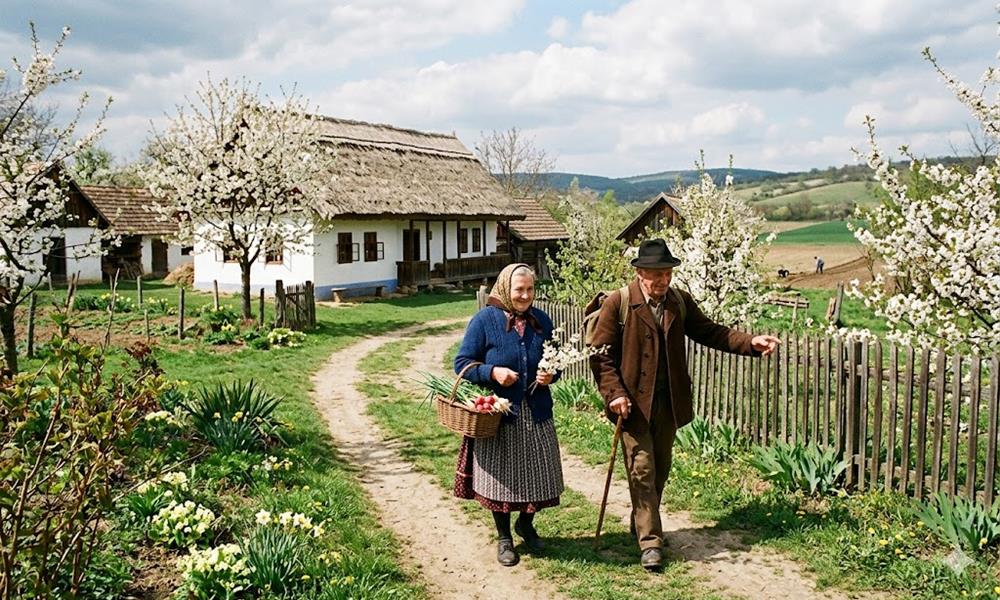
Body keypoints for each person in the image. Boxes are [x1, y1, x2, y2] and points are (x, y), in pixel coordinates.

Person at [589, 239, 780, 571]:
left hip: (668, 403)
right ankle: (650, 542)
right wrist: (615, 393)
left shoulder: (679, 302)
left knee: (660, 469)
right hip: (632, 405)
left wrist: (750, 342)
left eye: (668, 274)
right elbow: (601, 356)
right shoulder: (619, 303)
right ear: (639, 272)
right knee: (643, 469)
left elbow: (710, 332)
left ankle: (642, 521)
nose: (663, 281)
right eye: (657, 275)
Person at [453, 263, 564, 567]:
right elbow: (461, 363)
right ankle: (504, 537)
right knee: (501, 479)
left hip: (537, 412)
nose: (525, 295)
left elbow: (558, 362)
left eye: (530, 289)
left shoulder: (542, 321)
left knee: (539, 473)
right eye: (519, 290)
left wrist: (551, 376)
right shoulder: (484, 321)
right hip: (499, 415)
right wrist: (493, 371)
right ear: (505, 288)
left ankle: (525, 524)